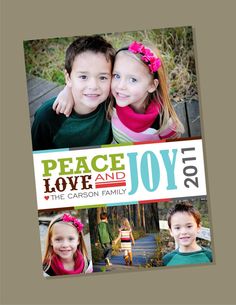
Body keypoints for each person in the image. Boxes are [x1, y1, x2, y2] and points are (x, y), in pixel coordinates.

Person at [53, 40, 184, 143]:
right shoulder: (112, 101)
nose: (120, 86)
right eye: (116, 76)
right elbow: (88, 87)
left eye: (133, 79)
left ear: (152, 85)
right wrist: (68, 89)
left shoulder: (164, 121)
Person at [31, 35, 115, 150]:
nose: (93, 86)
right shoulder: (47, 116)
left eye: (103, 78)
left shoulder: (112, 105)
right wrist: (67, 88)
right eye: (83, 76)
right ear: (68, 78)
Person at [163, 202, 213, 266]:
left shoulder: (210, 257)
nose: (183, 232)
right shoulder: (166, 260)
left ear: (198, 227)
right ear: (171, 231)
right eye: (177, 228)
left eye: (189, 226)